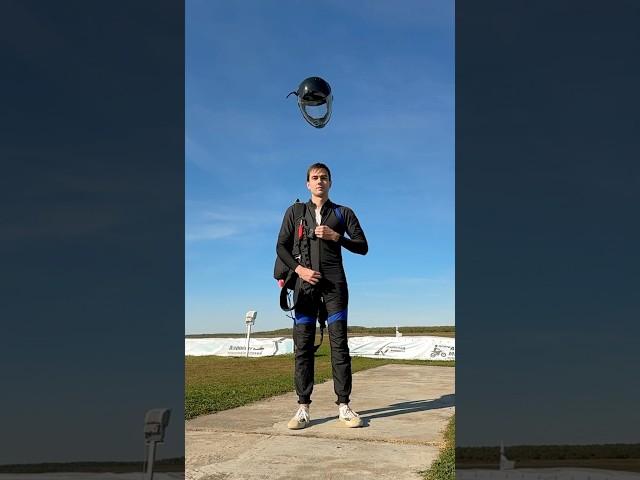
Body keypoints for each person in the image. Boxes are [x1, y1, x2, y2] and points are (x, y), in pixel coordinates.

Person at [276, 163, 368, 429]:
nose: (319, 182)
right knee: (302, 347)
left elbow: (362, 246)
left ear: (330, 182)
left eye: (324, 178)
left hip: (335, 287)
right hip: (304, 287)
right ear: (307, 184)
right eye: (314, 178)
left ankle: (344, 406)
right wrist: (300, 270)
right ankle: (303, 408)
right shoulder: (295, 212)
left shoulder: (343, 212)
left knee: (339, 345)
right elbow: (280, 246)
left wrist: (336, 236)